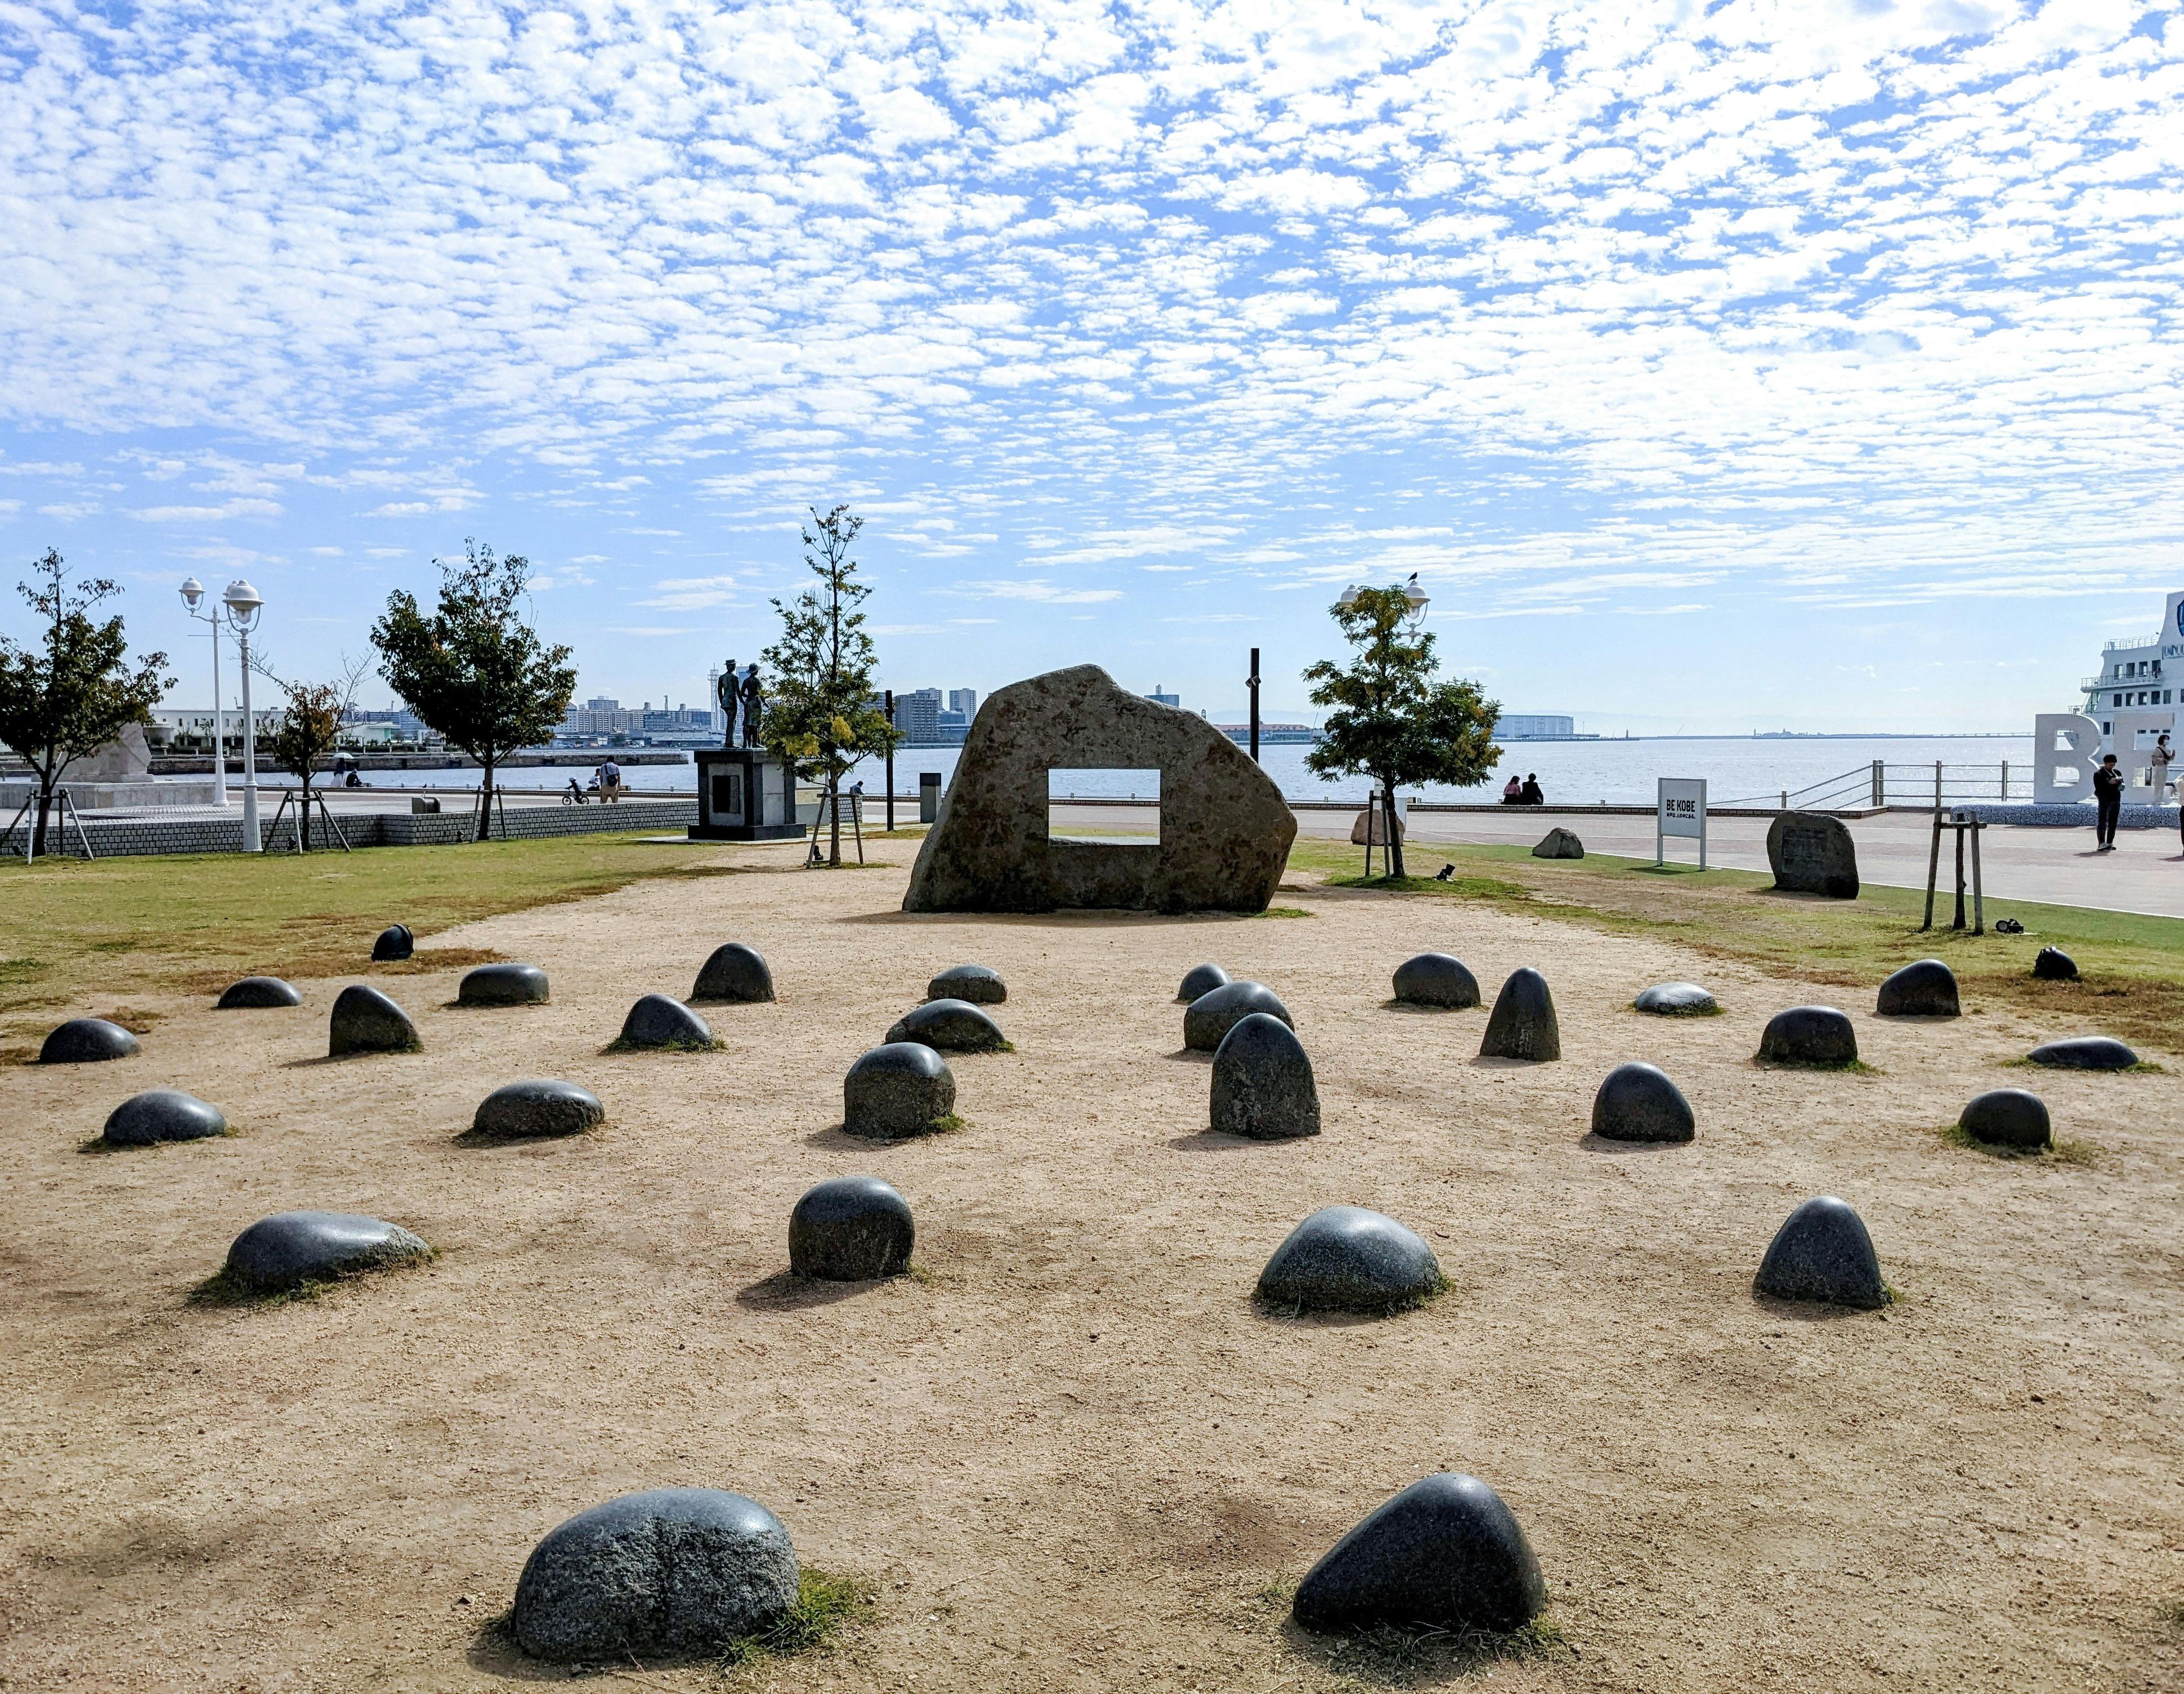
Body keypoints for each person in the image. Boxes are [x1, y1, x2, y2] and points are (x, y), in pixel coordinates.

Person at [2093, 753, 2123, 851]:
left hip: (2115, 799)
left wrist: (2119, 783)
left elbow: (2121, 784)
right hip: (2104, 800)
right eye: (2111, 764)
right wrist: (2109, 783)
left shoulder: (2117, 772)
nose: (2112, 766)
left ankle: (2110, 842)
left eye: (2114, 764)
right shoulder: (2098, 774)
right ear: (2105, 764)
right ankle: (2101, 843)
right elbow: (2099, 787)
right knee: (2102, 821)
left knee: (2113, 822)